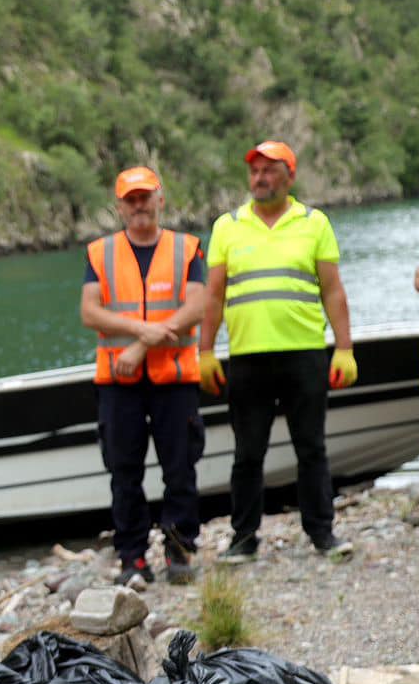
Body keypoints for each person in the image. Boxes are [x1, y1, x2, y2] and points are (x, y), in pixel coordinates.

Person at [200, 140, 354, 561]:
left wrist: (344, 349)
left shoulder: (314, 222)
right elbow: (213, 297)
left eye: (269, 170)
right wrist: (206, 352)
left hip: (304, 354)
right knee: (248, 453)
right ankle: (243, 537)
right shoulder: (227, 226)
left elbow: (333, 290)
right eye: (254, 171)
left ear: (290, 176)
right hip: (248, 358)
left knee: (312, 447)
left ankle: (322, 533)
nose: (260, 178)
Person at [79, 166, 207, 585]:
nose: (139, 205)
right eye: (130, 199)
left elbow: (196, 308)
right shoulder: (100, 252)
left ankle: (180, 547)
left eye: (145, 197)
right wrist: (141, 330)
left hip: (174, 379)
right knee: (124, 471)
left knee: (180, 467)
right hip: (119, 385)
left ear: (160, 199)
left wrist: (141, 346)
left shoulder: (187, 248)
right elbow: (89, 311)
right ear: (119, 206)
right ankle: (132, 557)